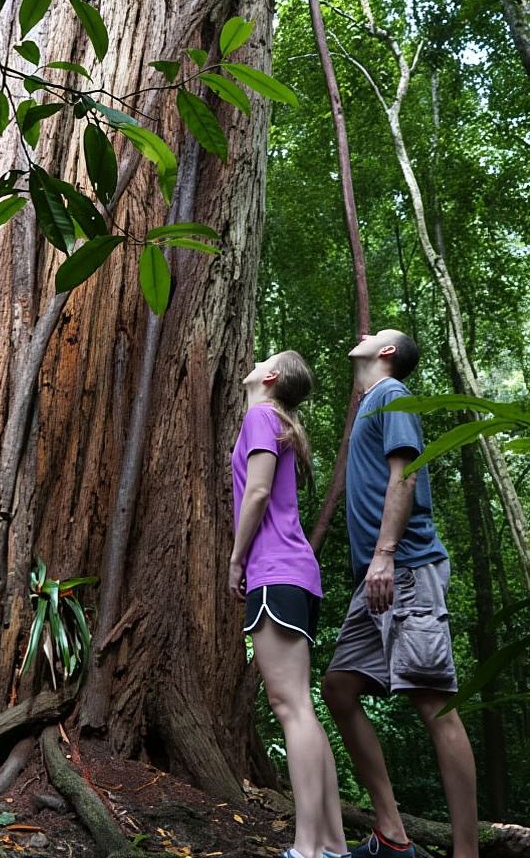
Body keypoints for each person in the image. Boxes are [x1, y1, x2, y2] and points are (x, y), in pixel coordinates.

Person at [322, 329, 478, 858]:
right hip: (379, 575)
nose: (364, 334)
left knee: (434, 703)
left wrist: (386, 553)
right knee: (339, 688)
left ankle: (466, 852)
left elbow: (405, 475)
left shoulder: (392, 395)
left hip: (403, 567)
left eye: (376, 333)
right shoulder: (372, 402)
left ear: (386, 352)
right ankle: (391, 835)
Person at [230, 349, 349, 858]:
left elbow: (256, 493)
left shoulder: (261, 416)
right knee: (301, 707)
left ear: (271, 378)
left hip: (274, 572)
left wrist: (236, 559)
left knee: (291, 705)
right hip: (296, 574)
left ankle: (306, 848)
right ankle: (332, 845)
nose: (254, 361)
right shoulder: (279, 423)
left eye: (264, 360)